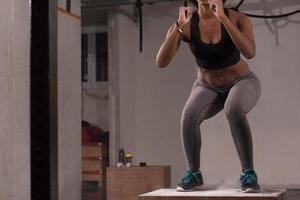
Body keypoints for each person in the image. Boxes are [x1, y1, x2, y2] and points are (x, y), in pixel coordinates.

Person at [156, 0, 261, 193]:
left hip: (242, 82)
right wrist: (179, 27)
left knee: (234, 108)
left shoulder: (238, 19)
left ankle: (249, 174)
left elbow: (250, 52)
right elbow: (161, 61)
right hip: (207, 87)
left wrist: (222, 17)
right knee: (188, 117)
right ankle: (194, 174)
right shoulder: (186, 23)